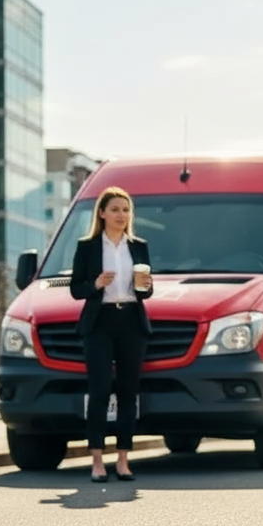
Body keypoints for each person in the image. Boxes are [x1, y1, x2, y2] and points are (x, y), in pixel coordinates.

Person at [70, 186, 153, 482]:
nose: (121, 215)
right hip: (100, 323)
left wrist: (146, 285)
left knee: (129, 392)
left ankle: (123, 460)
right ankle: (97, 461)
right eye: (115, 209)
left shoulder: (138, 246)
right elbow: (76, 289)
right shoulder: (88, 246)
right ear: (102, 213)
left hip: (131, 320)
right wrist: (96, 284)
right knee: (100, 390)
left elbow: (146, 292)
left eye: (126, 210)